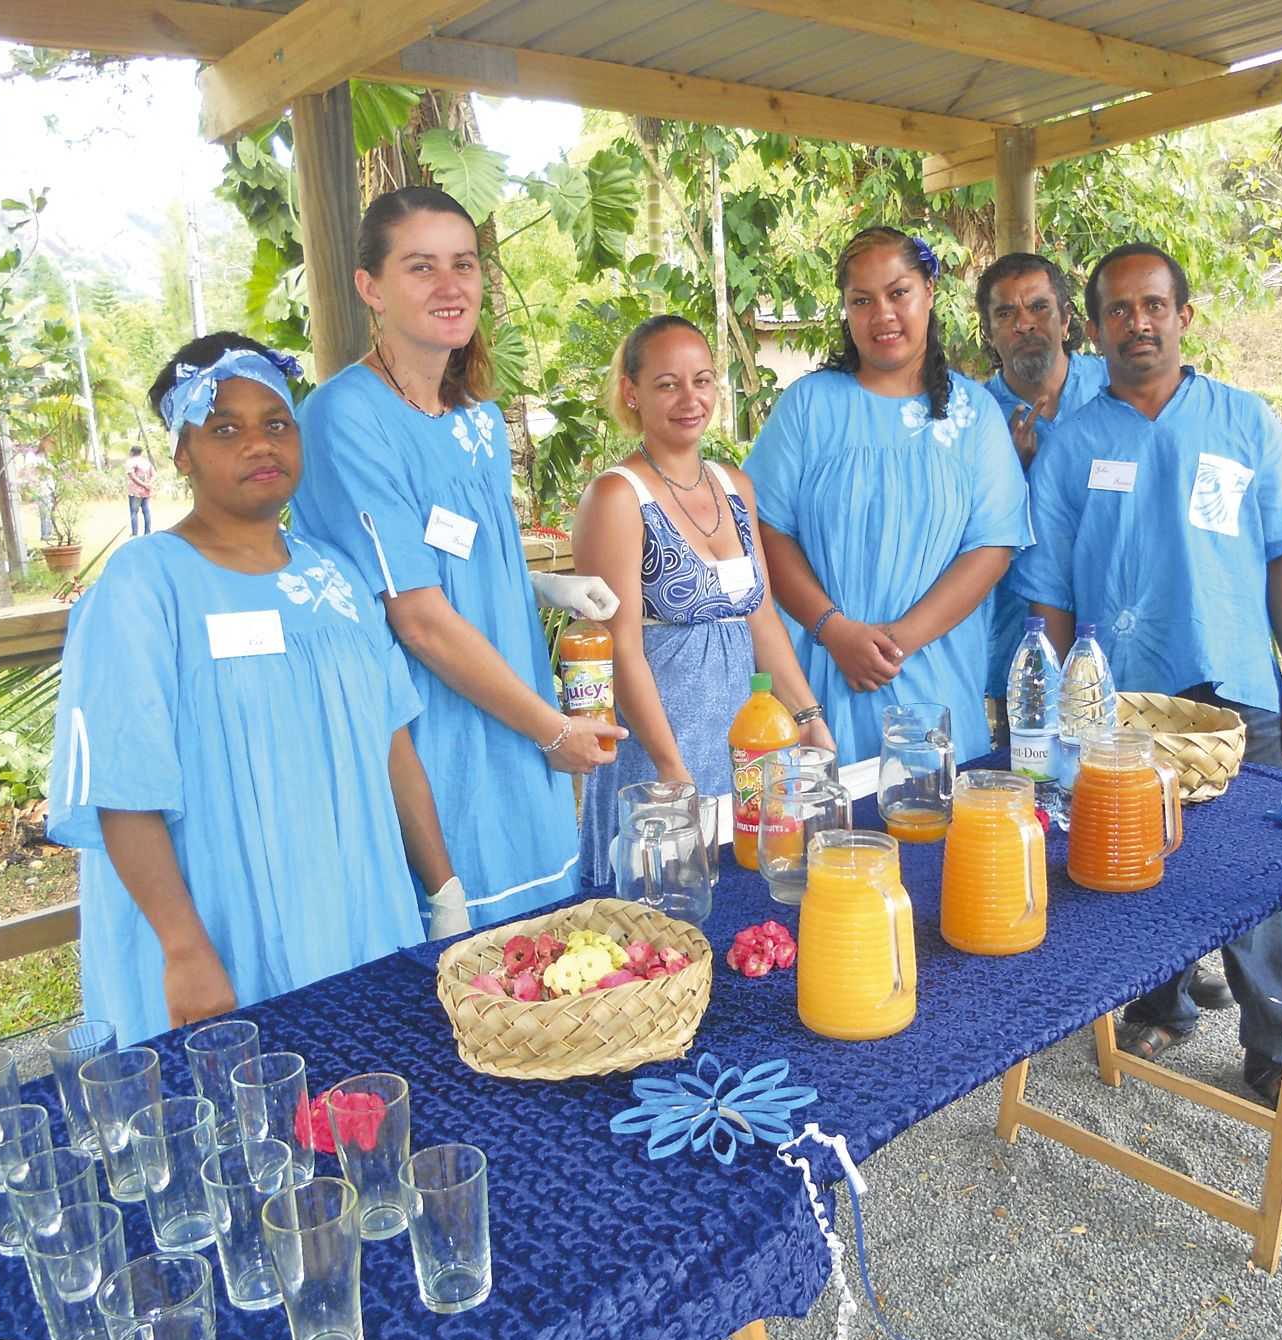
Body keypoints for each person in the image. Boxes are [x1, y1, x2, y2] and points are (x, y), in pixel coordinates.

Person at [47, 332, 465, 1042]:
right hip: (224, 929)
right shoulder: (145, 584)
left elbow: (393, 743)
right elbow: (121, 787)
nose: (259, 445)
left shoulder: (335, 575)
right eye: (225, 429)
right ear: (182, 454)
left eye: (276, 424)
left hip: (356, 913)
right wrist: (184, 948)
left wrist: (444, 892)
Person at [1008, 241, 1282, 1127]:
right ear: (1098, 327)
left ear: (1184, 317)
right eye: (1118, 309)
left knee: (1258, 880)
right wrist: (1053, 718)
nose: (1138, 322)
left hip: (1235, 694)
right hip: (1121, 705)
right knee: (1128, 862)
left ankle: (1277, 1056)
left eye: (1154, 305)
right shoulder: (1074, 445)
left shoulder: (1244, 422)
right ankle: (1160, 1005)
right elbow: (1049, 591)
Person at [292, 186, 624, 931]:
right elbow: (417, 618)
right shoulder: (346, 416)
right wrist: (551, 729)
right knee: (456, 969)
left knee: (544, 958)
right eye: (421, 266)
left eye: (464, 264)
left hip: (511, 710)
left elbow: (453, 557)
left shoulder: (477, 419)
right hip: (435, 732)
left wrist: (539, 584)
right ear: (370, 288)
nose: (450, 286)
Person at [748, 226, 1028, 764]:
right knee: (823, 836)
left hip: (936, 681)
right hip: (819, 682)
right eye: (862, 301)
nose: (883, 316)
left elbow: (992, 547)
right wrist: (834, 631)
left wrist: (893, 644)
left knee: (936, 835)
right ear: (846, 311)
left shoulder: (975, 416)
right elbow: (764, 530)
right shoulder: (809, 406)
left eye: (898, 293)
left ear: (929, 291)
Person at [571, 315, 834, 886]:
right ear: (631, 392)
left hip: (743, 750)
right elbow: (621, 648)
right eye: (668, 383)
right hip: (659, 756)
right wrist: (672, 769)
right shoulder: (617, 495)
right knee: (659, 913)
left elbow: (760, 618)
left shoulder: (735, 486)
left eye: (703, 380)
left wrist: (809, 716)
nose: (690, 398)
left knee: (746, 897)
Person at [973, 252, 1110, 739]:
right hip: (1021, 643)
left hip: (1115, 629)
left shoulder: (1113, 386)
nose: (1024, 323)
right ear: (989, 330)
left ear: (1067, 318)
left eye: (1039, 308)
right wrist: (1009, 470)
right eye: (1005, 314)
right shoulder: (975, 416)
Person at [126, 444, 155, 536]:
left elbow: (133, 477)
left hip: (135, 491)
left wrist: (143, 485)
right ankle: (148, 532)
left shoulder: (130, 462)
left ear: (131, 452)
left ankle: (135, 533)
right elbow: (154, 475)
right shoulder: (147, 462)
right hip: (146, 491)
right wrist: (148, 485)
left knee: (134, 512)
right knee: (146, 510)